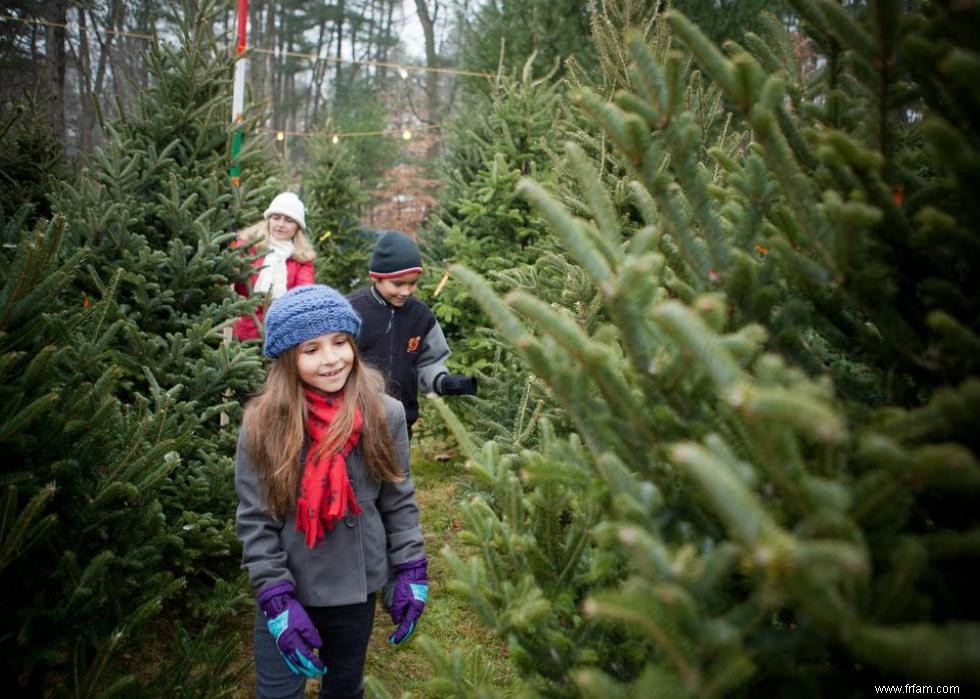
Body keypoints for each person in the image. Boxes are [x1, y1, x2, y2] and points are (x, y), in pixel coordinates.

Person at [234, 284, 428, 699]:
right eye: (312, 349)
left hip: (356, 588)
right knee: (277, 691)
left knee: (344, 686)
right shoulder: (263, 425)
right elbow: (256, 519)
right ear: (288, 360)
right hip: (291, 584)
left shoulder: (384, 413)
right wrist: (275, 599)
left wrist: (411, 567)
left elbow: (398, 499)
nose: (331, 359)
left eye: (340, 342)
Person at [348, 230, 477, 438]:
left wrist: (443, 381)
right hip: (355, 423)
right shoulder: (351, 311)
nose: (406, 291)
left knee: (399, 471)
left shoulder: (420, 316)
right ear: (376, 278)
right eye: (397, 284)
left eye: (413, 283)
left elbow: (428, 361)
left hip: (401, 424)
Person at [232, 191, 316, 342]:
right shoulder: (247, 246)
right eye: (276, 218)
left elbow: (303, 295)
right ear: (268, 220)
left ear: (297, 227)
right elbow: (231, 283)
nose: (281, 225)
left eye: (289, 220)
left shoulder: (302, 258)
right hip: (241, 332)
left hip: (280, 334)